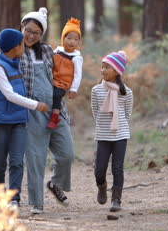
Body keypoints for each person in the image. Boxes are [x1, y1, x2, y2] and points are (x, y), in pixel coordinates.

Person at [0, 29, 49, 209]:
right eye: (22, 43)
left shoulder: (16, 62)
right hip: (0, 122)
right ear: (14, 47)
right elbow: (9, 95)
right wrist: (36, 105)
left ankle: (14, 199)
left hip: (18, 120)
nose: (24, 46)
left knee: (17, 162)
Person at [19, 8, 75, 214]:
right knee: (35, 158)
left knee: (67, 154)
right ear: (22, 28)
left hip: (56, 109)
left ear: (41, 35)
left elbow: (62, 74)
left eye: (36, 32)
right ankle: (36, 203)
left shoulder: (49, 51)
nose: (31, 35)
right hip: (32, 112)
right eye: (28, 30)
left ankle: (55, 183)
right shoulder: (15, 51)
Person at [91, 51, 133, 212]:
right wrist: (103, 126)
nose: (102, 70)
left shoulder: (126, 92)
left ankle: (116, 200)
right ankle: (102, 186)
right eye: (102, 67)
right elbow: (95, 111)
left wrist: (119, 126)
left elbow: (127, 113)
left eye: (106, 67)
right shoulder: (96, 90)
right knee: (99, 170)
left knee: (117, 168)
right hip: (103, 135)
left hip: (120, 135)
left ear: (117, 71)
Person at [46, 18, 83, 129]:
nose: (72, 42)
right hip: (52, 79)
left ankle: (54, 117)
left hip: (63, 83)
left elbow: (78, 75)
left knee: (56, 95)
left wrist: (73, 89)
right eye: (69, 38)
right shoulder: (57, 51)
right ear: (63, 38)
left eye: (76, 39)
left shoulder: (76, 58)